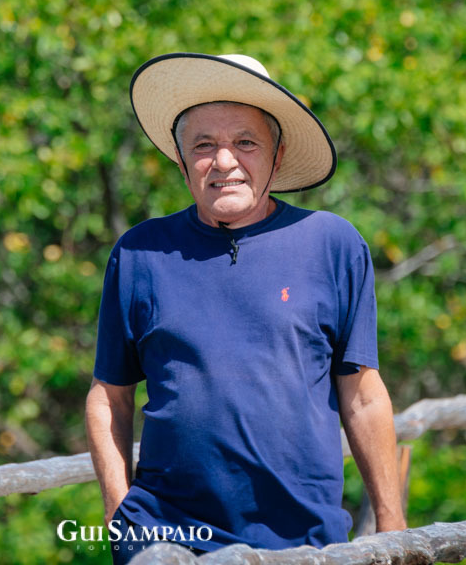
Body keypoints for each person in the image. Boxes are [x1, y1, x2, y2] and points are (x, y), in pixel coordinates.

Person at [85, 53, 405, 563]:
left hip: (306, 541)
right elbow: (109, 397)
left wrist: (392, 525)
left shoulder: (332, 244)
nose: (224, 161)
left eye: (245, 142)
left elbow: (363, 395)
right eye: (203, 145)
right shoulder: (140, 253)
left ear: (277, 156)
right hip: (164, 539)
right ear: (181, 160)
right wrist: (118, 516)